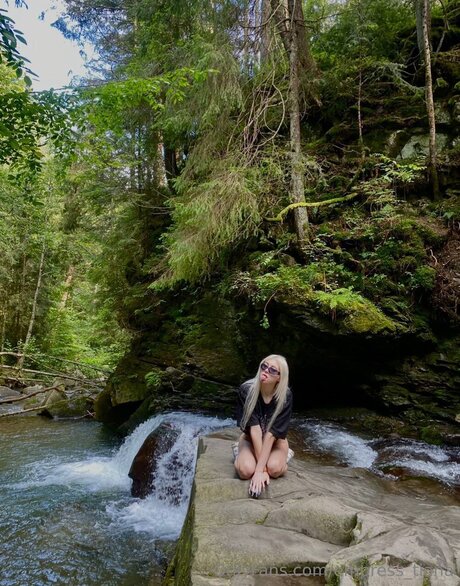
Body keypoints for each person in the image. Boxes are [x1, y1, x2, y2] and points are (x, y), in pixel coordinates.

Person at [234, 354, 293, 498]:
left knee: (275, 469)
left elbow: (271, 434)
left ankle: (285, 455)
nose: (266, 371)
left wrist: (262, 469)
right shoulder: (246, 390)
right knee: (246, 471)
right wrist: (260, 471)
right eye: (264, 366)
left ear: (279, 377)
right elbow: (255, 430)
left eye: (272, 370)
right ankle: (238, 451)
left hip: (275, 442)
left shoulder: (285, 396)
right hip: (250, 440)